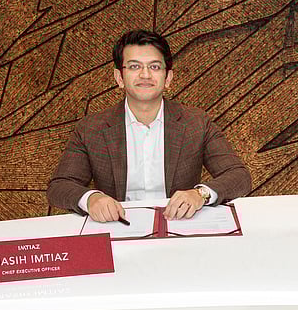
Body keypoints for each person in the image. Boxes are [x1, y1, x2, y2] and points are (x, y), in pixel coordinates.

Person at [48, 30, 252, 221]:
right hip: (117, 229)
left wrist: (200, 194)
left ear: (168, 78)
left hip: (179, 226)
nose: (145, 75)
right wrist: (91, 199)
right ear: (119, 77)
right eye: (134, 66)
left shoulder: (196, 123)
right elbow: (60, 186)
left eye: (154, 67)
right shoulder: (91, 128)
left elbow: (239, 177)